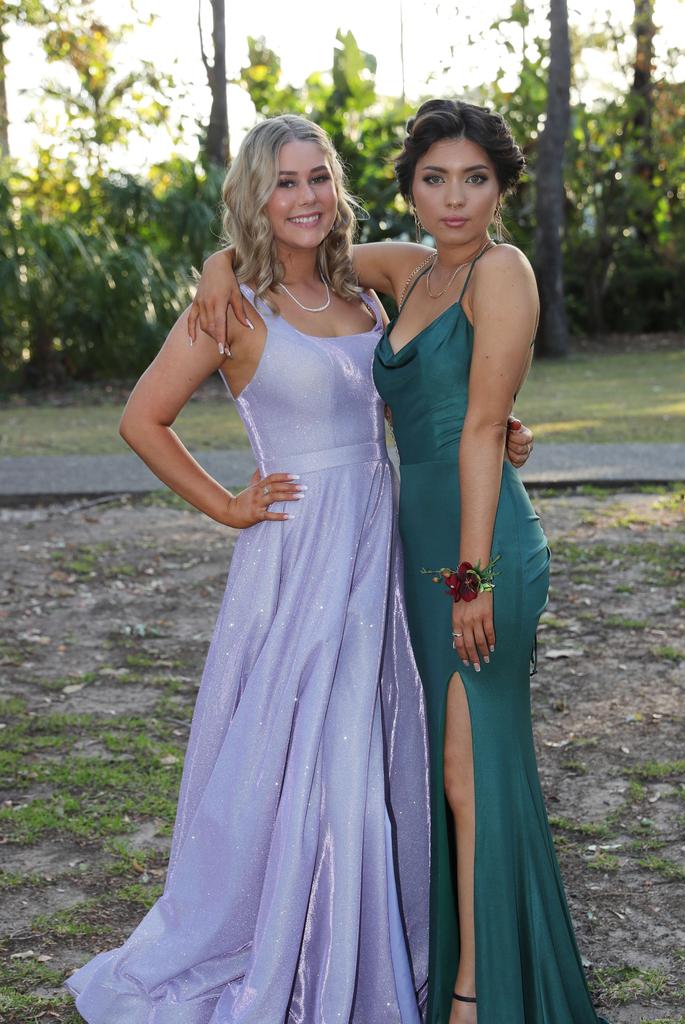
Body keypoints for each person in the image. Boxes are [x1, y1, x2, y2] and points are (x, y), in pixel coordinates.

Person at [192, 101, 609, 1024]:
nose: (455, 199)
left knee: (469, 765)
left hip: (479, 551)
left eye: (476, 180)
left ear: (502, 189)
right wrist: (222, 260)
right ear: (409, 189)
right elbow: (306, 256)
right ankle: (477, 962)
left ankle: (473, 995)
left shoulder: (502, 271)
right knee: (458, 763)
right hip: (417, 551)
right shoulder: (409, 273)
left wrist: (472, 579)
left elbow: (479, 426)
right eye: (435, 178)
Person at [66, 114, 432, 1024]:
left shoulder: (365, 293)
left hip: (375, 551)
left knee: (373, 753)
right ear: (254, 196)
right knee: (313, 763)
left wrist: (496, 424)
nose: (306, 197)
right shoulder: (232, 311)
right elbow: (142, 419)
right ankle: (303, 960)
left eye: (319, 178)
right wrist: (229, 503)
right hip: (297, 561)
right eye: (284, 182)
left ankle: (377, 950)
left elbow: (448, 260)